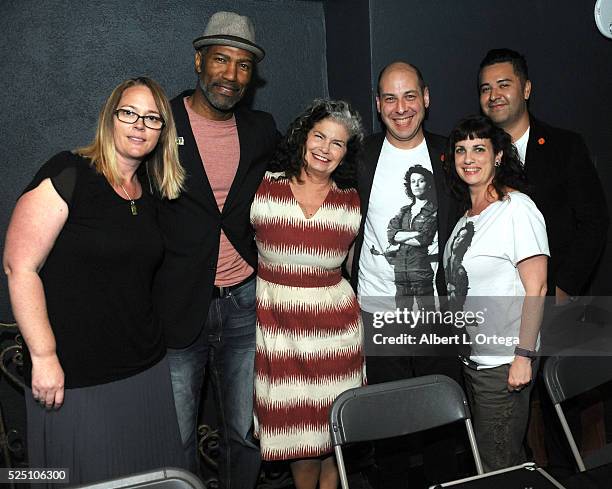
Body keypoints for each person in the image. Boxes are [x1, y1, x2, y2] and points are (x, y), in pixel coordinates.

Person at [3, 77, 186, 486]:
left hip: (146, 371)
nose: (140, 125)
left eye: (152, 118)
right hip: (76, 378)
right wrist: (45, 356)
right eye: (129, 113)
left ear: (162, 133)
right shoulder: (69, 172)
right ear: (110, 118)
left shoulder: (150, 191)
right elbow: (20, 266)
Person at [153, 11, 279, 488]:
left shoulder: (262, 129)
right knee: (179, 437)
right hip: (181, 305)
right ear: (199, 61)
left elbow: (301, 180)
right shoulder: (160, 123)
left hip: (245, 302)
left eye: (243, 65)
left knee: (244, 434)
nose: (231, 75)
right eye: (221, 60)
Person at [478, 48, 609, 470]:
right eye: (485, 88)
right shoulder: (476, 157)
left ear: (526, 89)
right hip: (500, 319)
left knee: (564, 420)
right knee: (513, 426)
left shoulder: (565, 146)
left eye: (504, 84)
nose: (494, 95)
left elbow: (593, 222)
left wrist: (564, 288)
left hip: (555, 307)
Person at [350, 61, 461, 486]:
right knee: (388, 425)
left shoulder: (452, 154)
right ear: (378, 105)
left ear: (426, 98)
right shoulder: (360, 156)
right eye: (390, 98)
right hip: (379, 308)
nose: (401, 108)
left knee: (441, 422)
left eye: (409, 96)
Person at [251, 99, 365, 489]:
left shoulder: (352, 200)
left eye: (338, 143)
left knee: (334, 425)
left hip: (336, 335)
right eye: (319, 136)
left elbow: (356, 265)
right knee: (297, 429)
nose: (325, 148)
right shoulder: (264, 183)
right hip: (279, 330)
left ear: (346, 153)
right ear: (303, 136)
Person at [443, 114, 549, 472]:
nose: (469, 158)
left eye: (478, 149)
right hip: (474, 363)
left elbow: (537, 287)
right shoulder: (466, 219)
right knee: (495, 464)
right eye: (461, 150)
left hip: (504, 365)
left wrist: (524, 356)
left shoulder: (516, 209)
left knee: (499, 468)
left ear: (499, 155)